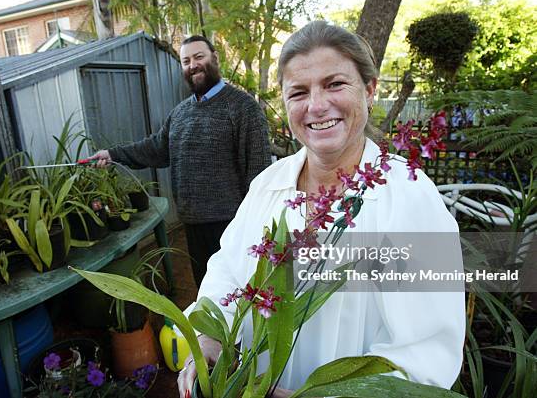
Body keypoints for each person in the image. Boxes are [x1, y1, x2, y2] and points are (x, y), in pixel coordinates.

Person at [177, 21, 465, 397]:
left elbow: (427, 353)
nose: (316, 105)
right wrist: (212, 339)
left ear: (370, 90)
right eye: (298, 92)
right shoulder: (269, 184)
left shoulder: (410, 197)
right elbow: (227, 270)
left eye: (335, 84)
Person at [89, 35, 271, 287]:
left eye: (199, 57)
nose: (192, 65)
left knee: (240, 291)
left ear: (215, 58)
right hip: (193, 224)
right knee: (207, 292)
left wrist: (255, 227)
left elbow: (260, 172)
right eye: (185, 61)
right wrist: (113, 154)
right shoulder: (180, 112)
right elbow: (156, 148)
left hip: (233, 226)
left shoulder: (243, 108)